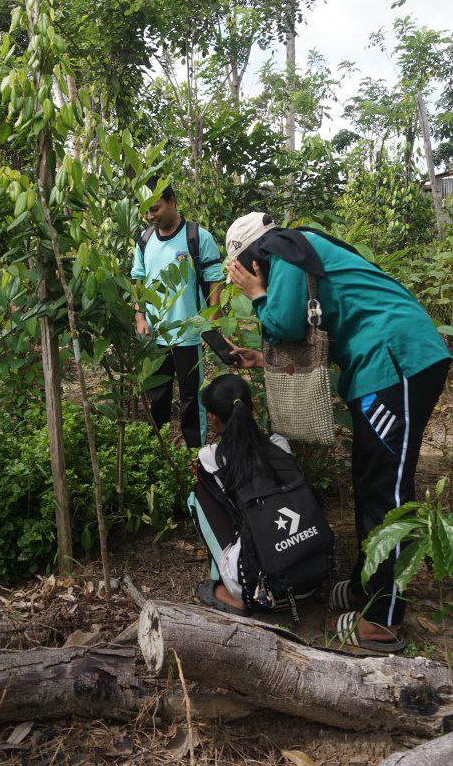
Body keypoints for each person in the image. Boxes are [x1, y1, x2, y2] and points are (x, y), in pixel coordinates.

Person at [225, 212, 451, 651]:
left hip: (396, 359)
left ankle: (382, 620)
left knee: (386, 489)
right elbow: (312, 331)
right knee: (369, 480)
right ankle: (368, 588)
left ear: (254, 257)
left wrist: (256, 295)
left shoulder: (284, 250)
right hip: (379, 364)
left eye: (244, 270)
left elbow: (285, 324)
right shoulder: (297, 249)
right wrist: (261, 357)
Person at [188, 372, 333, 617]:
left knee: (199, 495)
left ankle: (228, 586)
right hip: (314, 574)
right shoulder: (279, 444)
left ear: (212, 418)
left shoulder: (212, 457)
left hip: (263, 591)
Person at [131, 180, 223, 450]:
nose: (150, 216)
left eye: (155, 209)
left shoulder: (198, 237)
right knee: (156, 394)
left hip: (189, 334)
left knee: (191, 397)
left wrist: (210, 324)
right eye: (146, 211)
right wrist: (139, 317)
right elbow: (138, 280)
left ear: (172, 202)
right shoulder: (144, 240)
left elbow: (214, 281)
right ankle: (156, 449)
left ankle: (195, 451)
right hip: (154, 334)